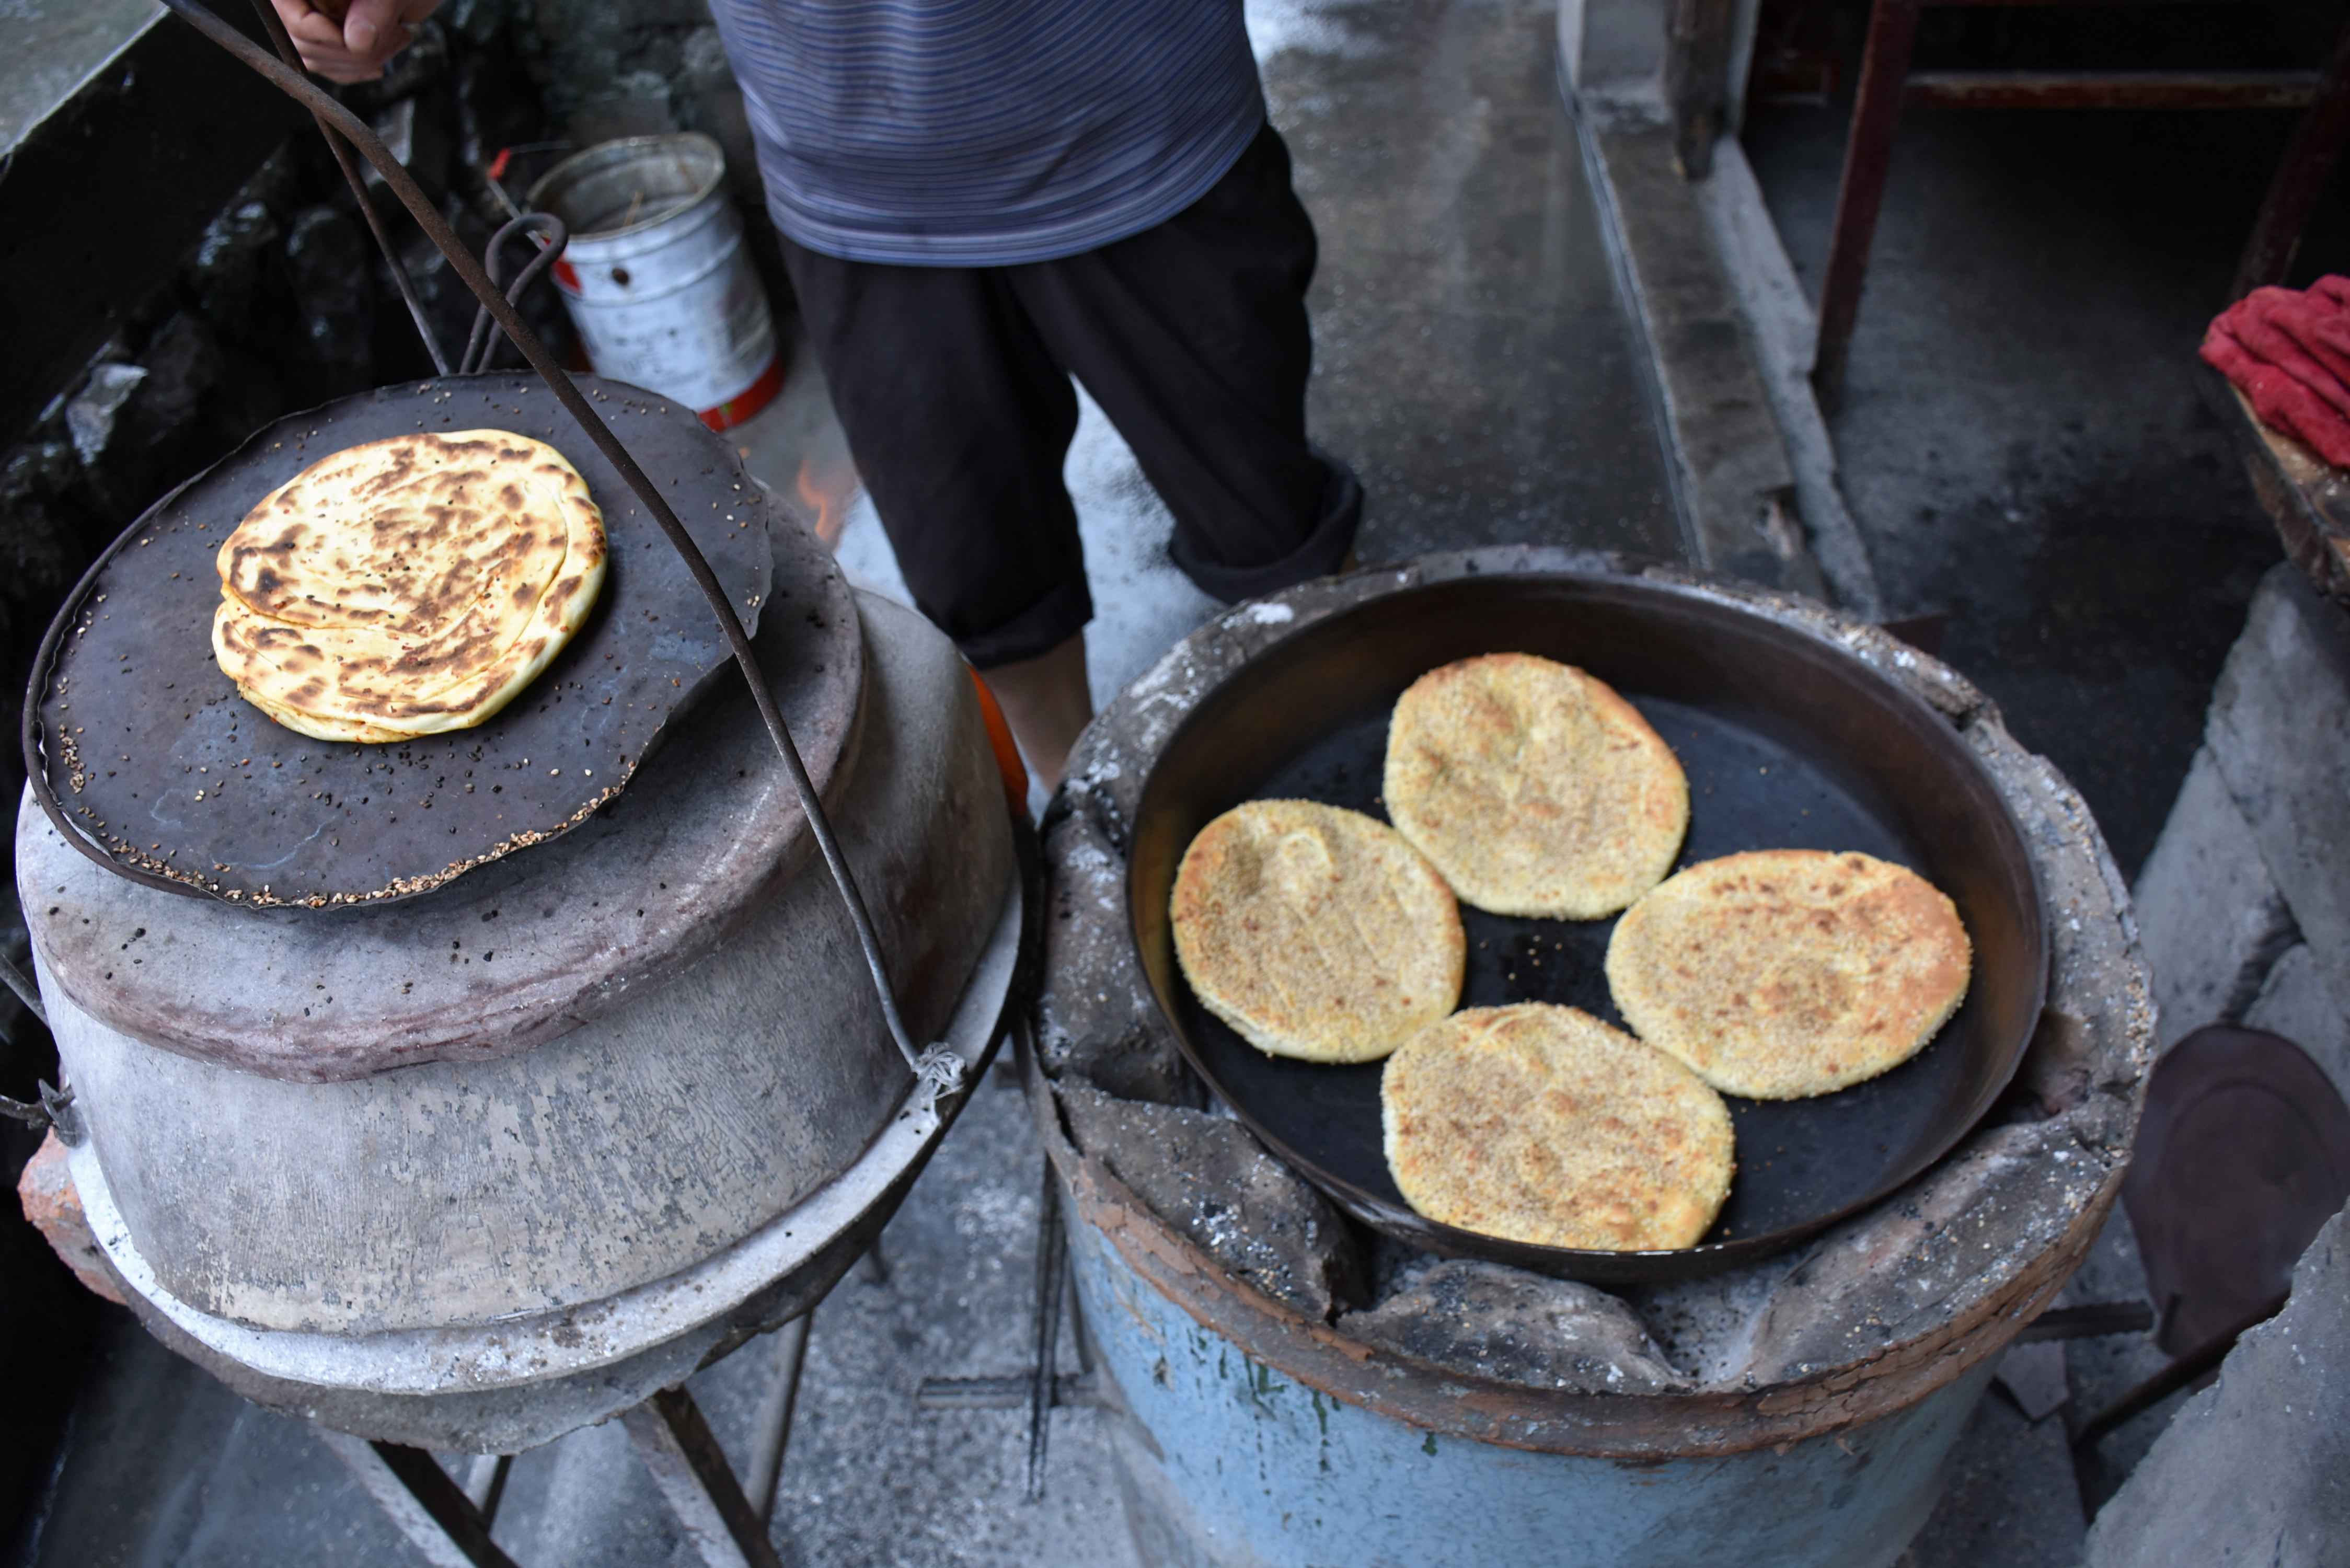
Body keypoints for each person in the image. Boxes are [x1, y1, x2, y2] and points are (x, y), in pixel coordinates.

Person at [272, 0, 1361, 789]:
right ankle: (1077, 796)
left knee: (1263, 509)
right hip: (853, 171)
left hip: (1138, 118)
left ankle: (1325, 755)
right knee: (975, 559)